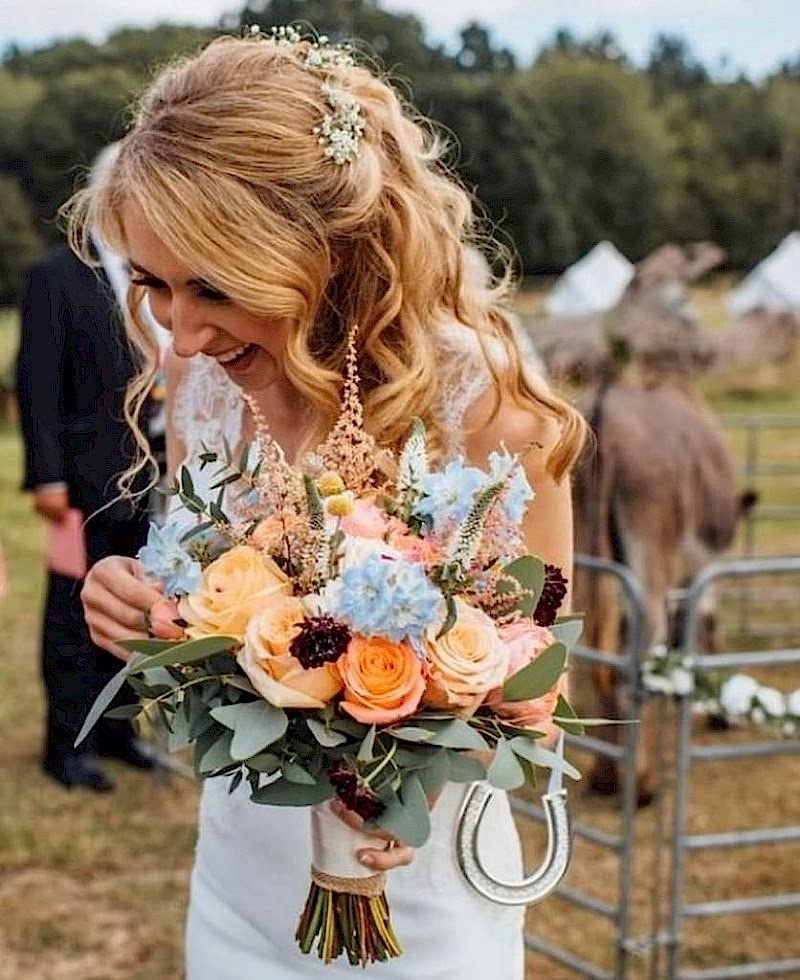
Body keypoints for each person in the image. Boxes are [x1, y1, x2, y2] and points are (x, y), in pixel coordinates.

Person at [74, 29, 585, 978]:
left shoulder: (491, 415)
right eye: (151, 283)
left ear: (321, 254)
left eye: (214, 287)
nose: (180, 336)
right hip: (237, 879)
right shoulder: (207, 395)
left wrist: (411, 762)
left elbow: (539, 698)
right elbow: (195, 611)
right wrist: (138, 608)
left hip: (419, 901)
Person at [16, 152, 157, 792]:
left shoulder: (152, 275)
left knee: (133, 613)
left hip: (147, 482)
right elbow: (37, 384)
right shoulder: (57, 277)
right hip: (78, 485)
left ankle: (119, 732)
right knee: (73, 618)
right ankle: (65, 746)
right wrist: (45, 478)